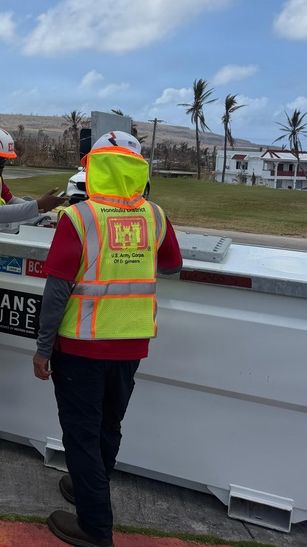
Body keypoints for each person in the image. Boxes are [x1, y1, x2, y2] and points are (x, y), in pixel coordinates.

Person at [32, 130, 182, 547]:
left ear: (92, 167)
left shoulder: (78, 218)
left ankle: (95, 527)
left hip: (80, 345)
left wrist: (43, 349)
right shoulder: (154, 215)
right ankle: (87, 489)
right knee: (108, 426)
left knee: (80, 434)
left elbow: (57, 291)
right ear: (139, 170)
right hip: (131, 344)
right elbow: (172, 265)